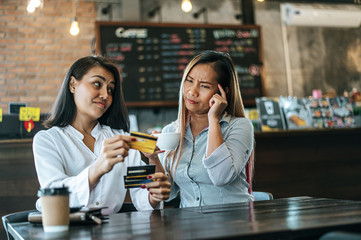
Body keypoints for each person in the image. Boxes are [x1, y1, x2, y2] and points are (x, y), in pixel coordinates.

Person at [33, 56, 171, 215]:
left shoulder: (122, 139)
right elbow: (53, 196)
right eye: (97, 84)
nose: (105, 95)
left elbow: (141, 194)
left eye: (110, 89)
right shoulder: (47, 140)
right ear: (73, 84)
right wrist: (98, 168)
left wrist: (154, 194)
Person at [156, 50, 255, 208]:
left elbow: (221, 177)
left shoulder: (239, 126)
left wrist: (213, 119)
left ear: (223, 92)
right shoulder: (171, 131)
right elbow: (168, 193)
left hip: (234, 223)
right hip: (190, 226)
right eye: (189, 81)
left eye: (204, 86)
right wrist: (153, 157)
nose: (192, 91)